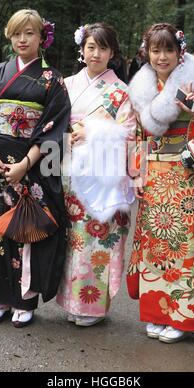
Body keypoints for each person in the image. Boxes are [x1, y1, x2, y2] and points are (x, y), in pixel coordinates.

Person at [126, 23, 194, 343]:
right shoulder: (142, 90)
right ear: (147, 53)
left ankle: (183, 317)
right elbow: (138, 136)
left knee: (185, 247)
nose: (161, 57)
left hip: (186, 177)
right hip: (155, 176)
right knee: (155, 246)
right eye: (155, 50)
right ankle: (157, 313)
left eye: (168, 50)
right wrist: (137, 174)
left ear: (178, 52)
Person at [0, 9, 71, 327]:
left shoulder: (53, 80)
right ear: (10, 37)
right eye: (16, 34)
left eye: (29, 33)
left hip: (28, 168)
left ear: (42, 38)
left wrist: (25, 165)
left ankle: (24, 300)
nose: (22, 39)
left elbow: (54, 128)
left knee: (25, 230)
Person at [56, 23, 137, 326]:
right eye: (91, 47)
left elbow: (130, 133)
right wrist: (67, 136)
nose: (96, 53)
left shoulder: (122, 92)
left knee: (96, 240)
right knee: (72, 239)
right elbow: (51, 125)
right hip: (67, 171)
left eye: (103, 48)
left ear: (112, 53)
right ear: (82, 50)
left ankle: (91, 307)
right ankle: (70, 301)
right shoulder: (65, 85)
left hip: (102, 175)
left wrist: (93, 133)